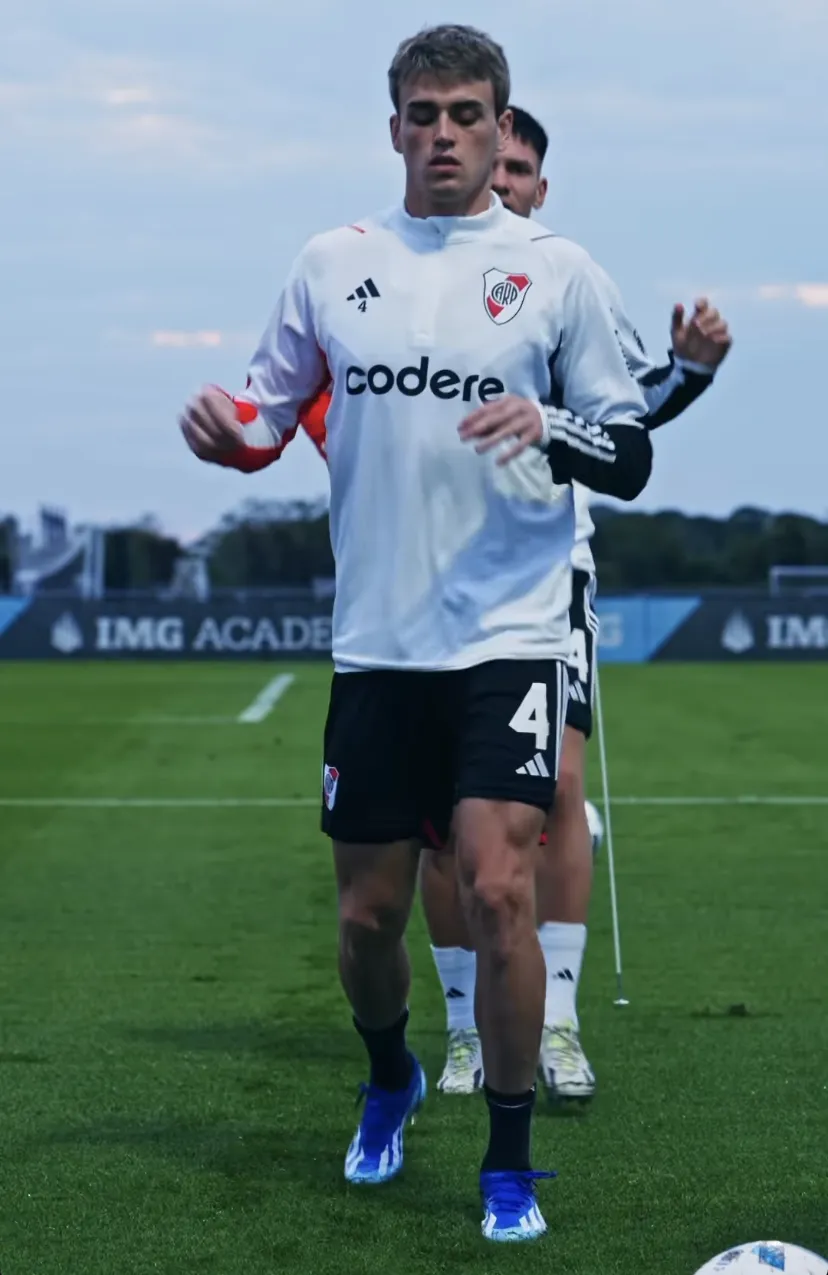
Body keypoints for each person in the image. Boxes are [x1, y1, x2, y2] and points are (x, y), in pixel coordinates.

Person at [180, 24, 656, 1243]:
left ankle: (508, 1164)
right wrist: (224, 436)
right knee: (367, 922)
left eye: (466, 114)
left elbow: (633, 449)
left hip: (510, 637)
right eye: (422, 114)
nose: (443, 134)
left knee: (499, 890)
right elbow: (264, 412)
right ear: (393, 127)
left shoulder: (559, 272)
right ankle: (390, 1071)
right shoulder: (332, 262)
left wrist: (549, 424)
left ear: (503, 131)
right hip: (377, 644)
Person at [420, 107, 733, 1101]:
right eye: (490, 162)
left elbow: (622, 416)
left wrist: (687, 373)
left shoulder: (559, 282)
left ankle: (555, 1022)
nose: (502, 180)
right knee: (438, 815)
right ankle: (467, 1029)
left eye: (519, 168)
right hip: (420, 580)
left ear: (538, 187)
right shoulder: (406, 278)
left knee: (555, 791)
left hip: (548, 577)